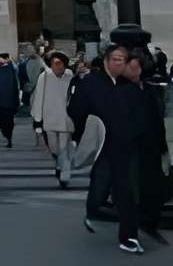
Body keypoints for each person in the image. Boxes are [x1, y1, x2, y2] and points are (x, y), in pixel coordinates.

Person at [69, 42, 129, 236]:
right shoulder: (91, 82)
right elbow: (75, 109)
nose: (120, 64)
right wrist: (84, 130)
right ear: (107, 60)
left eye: (123, 61)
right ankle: (95, 211)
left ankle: (111, 209)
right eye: (116, 60)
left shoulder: (124, 82)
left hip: (123, 136)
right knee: (103, 174)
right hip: (102, 135)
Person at [118, 52, 168, 248]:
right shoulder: (121, 91)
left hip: (152, 146)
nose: (135, 70)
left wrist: (161, 143)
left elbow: (157, 117)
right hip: (131, 147)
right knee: (131, 191)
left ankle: (149, 223)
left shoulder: (148, 89)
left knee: (153, 188)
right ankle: (128, 234)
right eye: (131, 66)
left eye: (137, 66)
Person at [31, 50, 76, 187]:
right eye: (54, 64)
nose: (57, 66)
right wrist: (37, 121)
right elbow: (38, 98)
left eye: (59, 63)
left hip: (66, 119)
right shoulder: (44, 77)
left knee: (63, 147)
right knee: (54, 148)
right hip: (49, 119)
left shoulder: (70, 76)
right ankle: (60, 164)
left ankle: (65, 174)